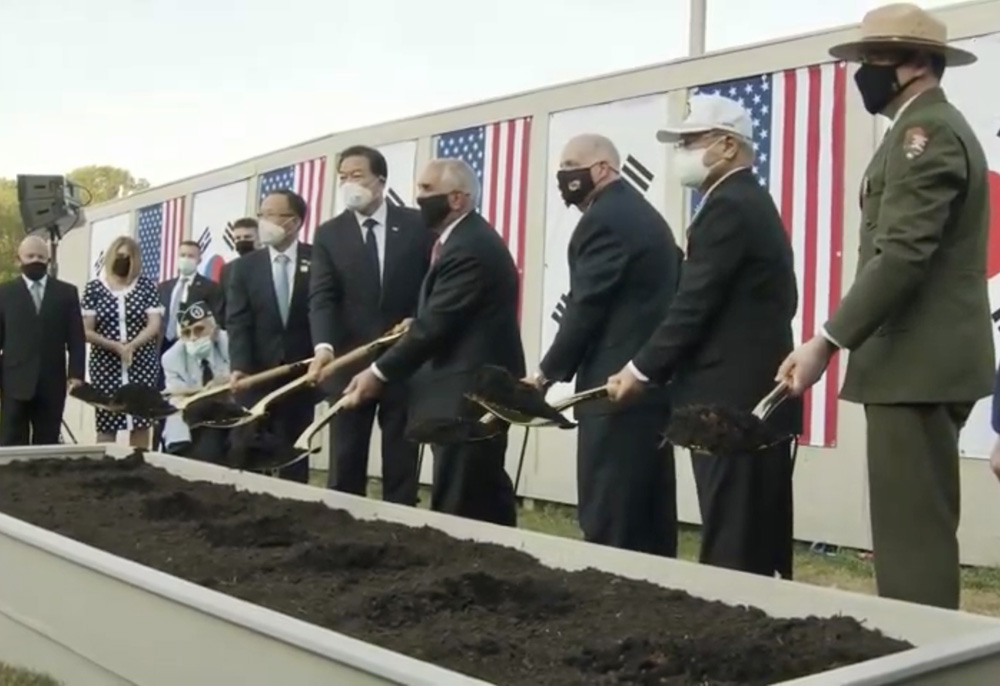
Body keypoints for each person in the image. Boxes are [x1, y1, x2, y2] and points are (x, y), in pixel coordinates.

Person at [776, 4, 992, 609]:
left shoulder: (927, 134)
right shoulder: (919, 129)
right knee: (912, 531)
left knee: (911, 542)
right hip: (918, 365)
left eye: (875, 60)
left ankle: (924, 664)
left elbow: (901, 255)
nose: (864, 72)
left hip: (916, 367)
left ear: (918, 63)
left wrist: (826, 340)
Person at [606, 95, 801, 578]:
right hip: (747, 393)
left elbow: (693, 304)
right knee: (752, 535)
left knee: (734, 543)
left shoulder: (730, 207)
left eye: (691, 142)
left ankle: (739, 634)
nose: (683, 153)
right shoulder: (745, 201)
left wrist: (640, 369)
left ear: (729, 146)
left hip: (731, 402)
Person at [340, 158, 524, 527]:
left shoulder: (469, 246)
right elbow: (445, 314)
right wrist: (419, 320)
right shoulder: (457, 240)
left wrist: (378, 372)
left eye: (426, 190)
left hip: (468, 394)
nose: (418, 197)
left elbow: (439, 324)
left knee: (464, 502)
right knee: (482, 494)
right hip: (462, 392)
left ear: (457, 199)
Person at [528, 133, 681, 556]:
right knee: (647, 513)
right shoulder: (639, 213)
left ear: (601, 169)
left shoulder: (605, 219)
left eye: (571, 164)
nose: (563, 175)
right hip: (646, 384)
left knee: (611, 513)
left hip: (614, 388)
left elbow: (586, 306)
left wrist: (544, 375)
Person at [308, 145, 432, 505]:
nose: (348, 183)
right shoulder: (329, 234)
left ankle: (403, 530)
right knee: (345, 463)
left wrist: (419, 319)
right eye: (342, 177)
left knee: (401, 462)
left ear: (380, 180)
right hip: (348, 362)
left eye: (356, 175)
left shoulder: (416, 224)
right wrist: (324, 348)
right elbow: (322, 297)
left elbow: (432, 283)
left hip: (404, 362)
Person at [226, 189, 316, 483]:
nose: (264, 222)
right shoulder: (244, 268)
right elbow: (238, 321)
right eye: (262, 214)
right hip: (256, 375)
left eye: (272, 215)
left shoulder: (318, 260)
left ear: (294, 221)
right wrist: (239, 366)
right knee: (249, 452)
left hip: (302, 375)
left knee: (294, 453)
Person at [0, 236, 86, 445]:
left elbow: (76, 337)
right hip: (14, 383)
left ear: (49, 260)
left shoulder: (66, 293)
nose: (35, 260)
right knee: (11, 442)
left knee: (47, 443)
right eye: (30, 256)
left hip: (52, 382)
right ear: (18, 259)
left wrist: (76, 374)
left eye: (40, 256)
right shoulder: (5, 293)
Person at [81, 236, 164, 447]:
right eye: (119, 256)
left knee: (140, 421)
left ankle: (139, 469)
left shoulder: (146, 287)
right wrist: (115, 346)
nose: (123, 260)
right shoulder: (94, 289)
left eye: (128, 256)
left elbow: (154, 324)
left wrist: (132, 345)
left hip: (141, 363)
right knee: (107, 421)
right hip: (106, 365)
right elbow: (86, 330)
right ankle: (105, 472)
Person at [154, 239, 223, 449]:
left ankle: (186, 446)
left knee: (185, 400)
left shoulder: (210, 288)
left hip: (192, 352)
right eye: (182, 255)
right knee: (162, 402)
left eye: (191, 256)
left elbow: (215, 322)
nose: (186, 259)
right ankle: (160, 445)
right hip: (164, 350)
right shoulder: (164, 287)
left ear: (199, 259)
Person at [161, 301, 231, 462]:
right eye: (186, 333)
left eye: (199, 330)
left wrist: (225, 380)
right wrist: (206, 390)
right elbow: (178, 397)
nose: (193, 338)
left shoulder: (230, 342)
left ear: (214, 331)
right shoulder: (172, 358)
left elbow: (242, 375)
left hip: (230, 409)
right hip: (193, 415)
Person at [218, 217, 260, 325]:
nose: (242, 241)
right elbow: (224, 304)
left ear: (259, 238)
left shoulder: (270, 264)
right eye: (237, 238)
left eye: (247, 237)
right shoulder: (227, 270)